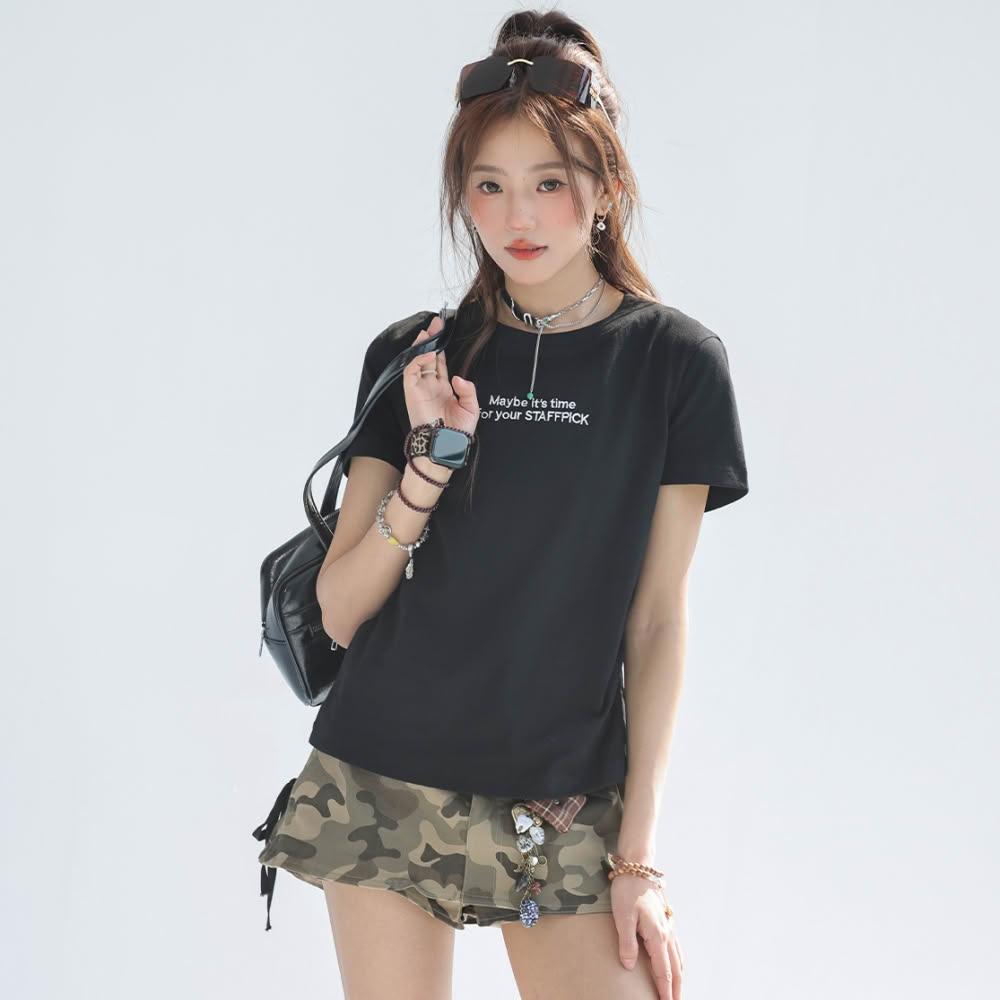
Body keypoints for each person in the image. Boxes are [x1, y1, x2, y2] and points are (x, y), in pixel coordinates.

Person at [253, 9, 749, 999]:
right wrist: (429, 463)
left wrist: (637, 856)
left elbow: (657, 620)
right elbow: (341, 612)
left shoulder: (674, 364)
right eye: (488, 185)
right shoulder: (419, 356)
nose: (517, 216)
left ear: (606, 188)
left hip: (562, 801)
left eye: (549, 183)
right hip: (383, 777)